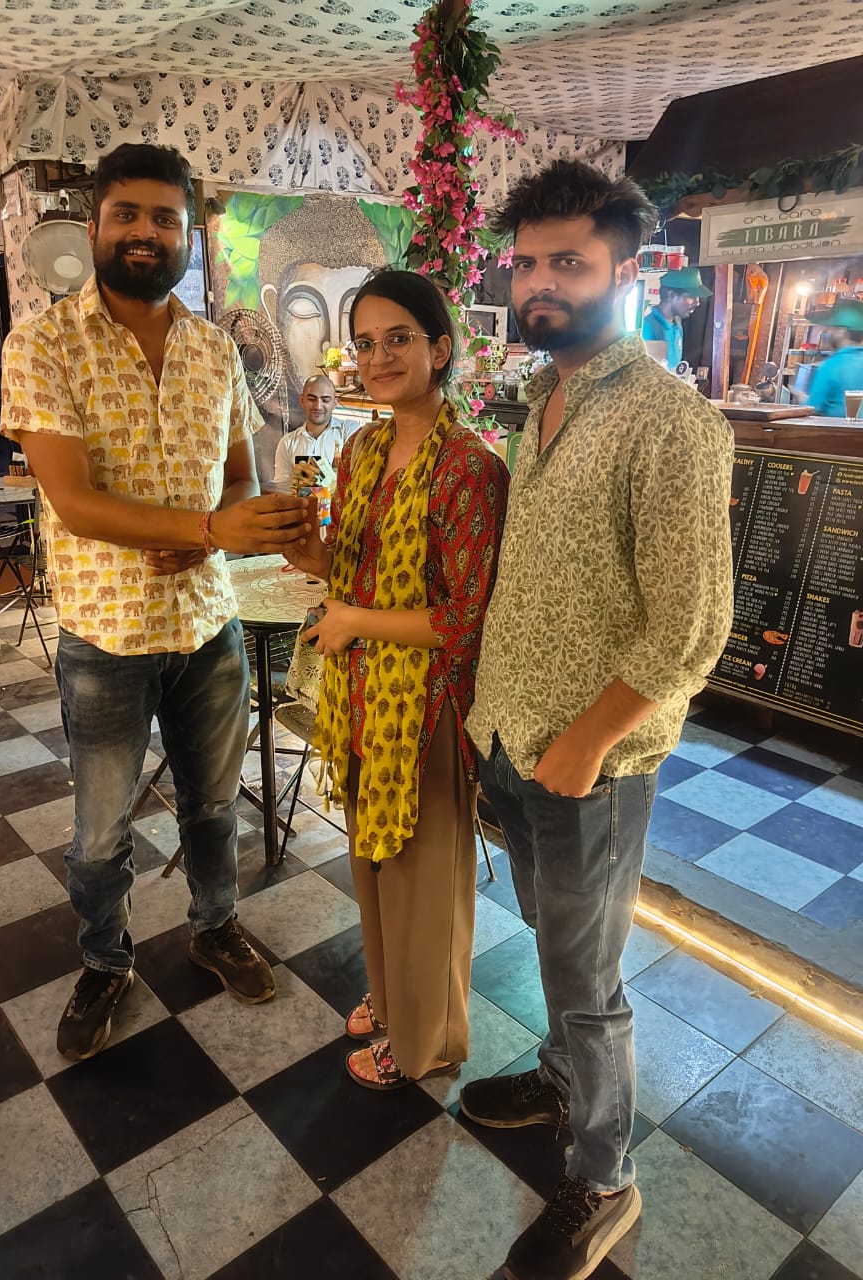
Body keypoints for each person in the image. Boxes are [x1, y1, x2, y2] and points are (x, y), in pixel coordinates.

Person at [461, 160, 734, 1279]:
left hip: (593, 762)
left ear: (629, 274)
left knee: (588, 977)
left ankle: (607, 1177)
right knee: (552, 941)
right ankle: (563, 1079)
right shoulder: (541, 404)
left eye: (567, 262)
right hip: (515, 736)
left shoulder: (671, 421)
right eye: (526, 261)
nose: (539, 282)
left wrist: (586, 740)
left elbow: (692, 627)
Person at [0, 143, 310, 1062]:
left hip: (207, 623)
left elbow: (239, 477)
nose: (146, 233)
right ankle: (106, 960)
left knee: (212, 807)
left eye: (165, 219)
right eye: (127, 215)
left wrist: (216, 531)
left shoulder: (215, 350)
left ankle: (215, 927)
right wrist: (205, 528)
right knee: (101, 831)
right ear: (94, 226)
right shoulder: (42, 344)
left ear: (188, 236)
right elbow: (73, 501)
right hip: (106, 632)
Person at [284, 267, 509, 1090]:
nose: (378, 358)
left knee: (425, 882)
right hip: (362, 695)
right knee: (374, 864)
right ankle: (391, 1000)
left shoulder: (470, 467)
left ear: (440, 349)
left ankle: (429, 1042)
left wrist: (354, 622)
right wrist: (307, 550)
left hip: (429, 705)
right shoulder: (363, 449)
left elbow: (465, 618)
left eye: (399, 340)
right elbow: (357, 574)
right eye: (366, 343)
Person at [272, 372, 360, 491]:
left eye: (325, 400)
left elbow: (359, 479)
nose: (318, 406)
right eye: (311, 399)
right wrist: (295, 483)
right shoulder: (287, 442)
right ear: (301, 400)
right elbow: (281, 488)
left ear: (335, 403)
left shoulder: (348, 431)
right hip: (301, 503)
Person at [641, 265, 711, 371]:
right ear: (672, 295)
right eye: (691, 296)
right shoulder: (647, 328)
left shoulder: (677, 325)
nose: (697, 303)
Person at [806, 297, 863, 417]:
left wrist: (801, 398)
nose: (827, 331)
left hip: (839, 430)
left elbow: (812, 410)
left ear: (841, 331)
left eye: (832, 327)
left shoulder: (831, 367)